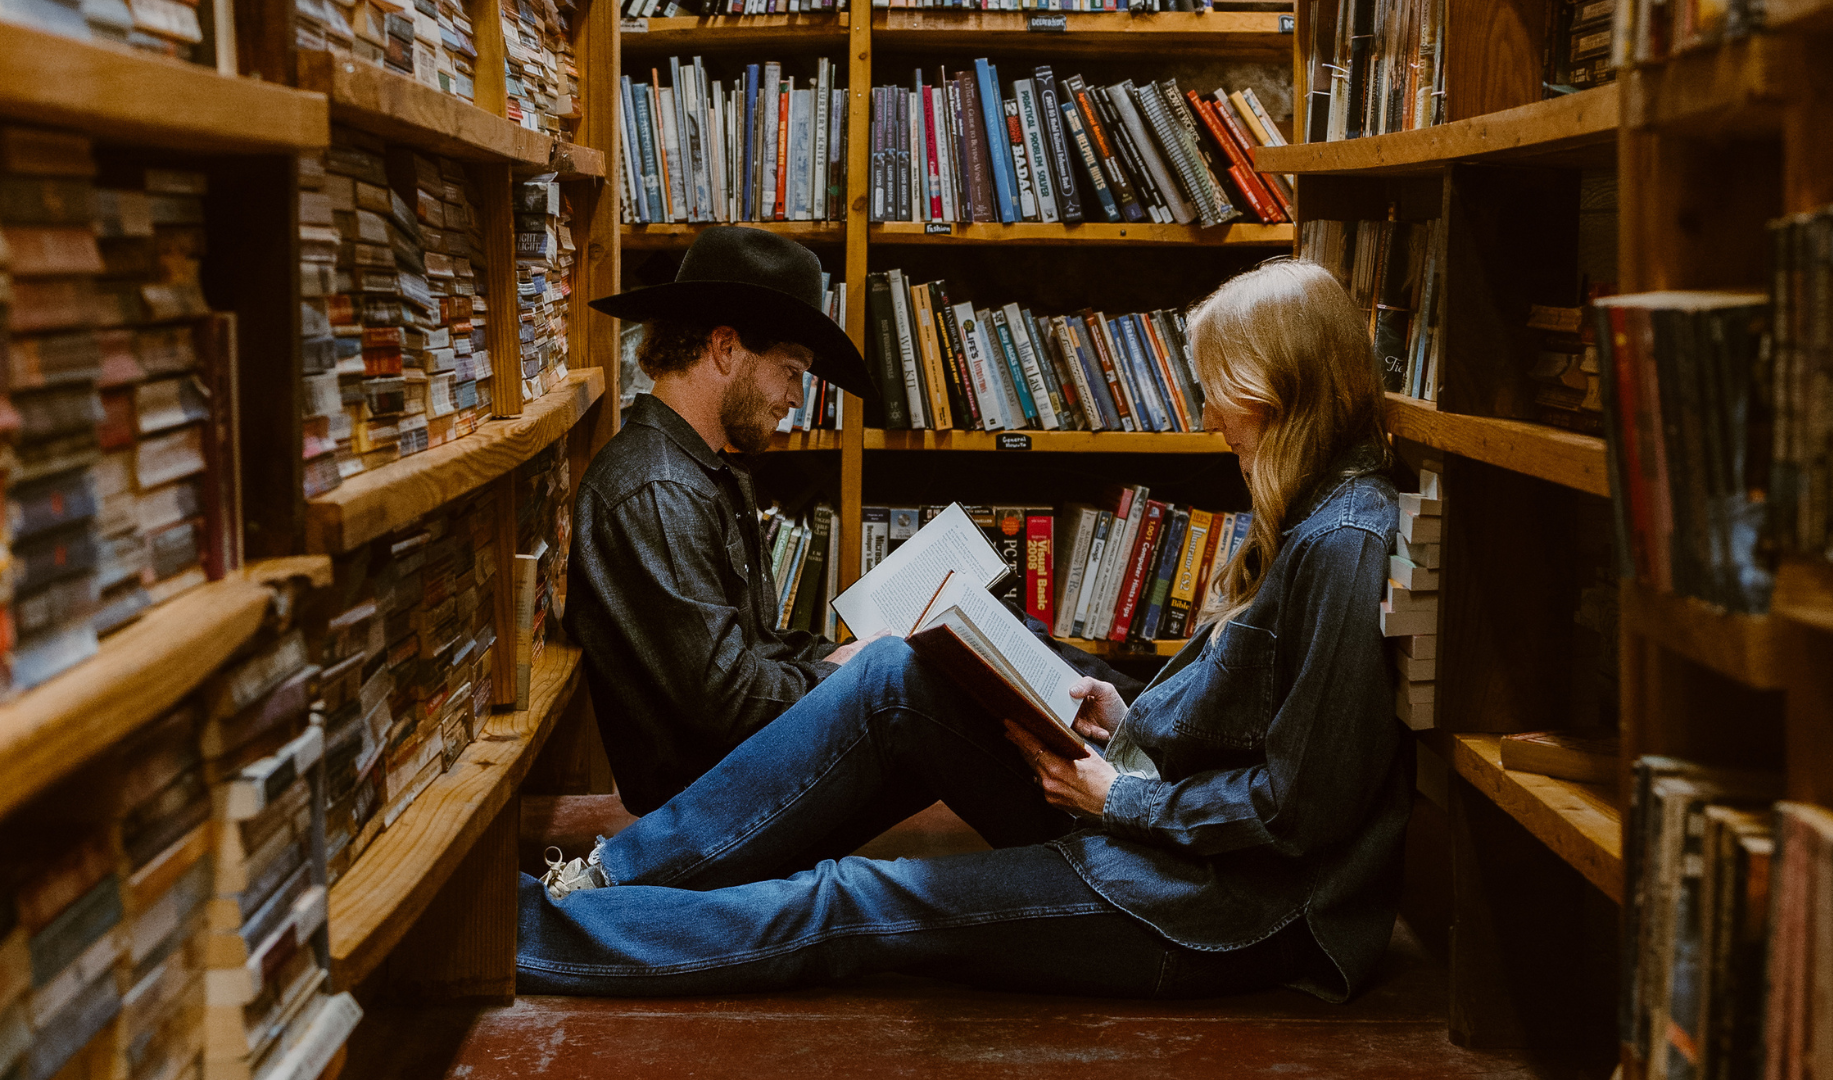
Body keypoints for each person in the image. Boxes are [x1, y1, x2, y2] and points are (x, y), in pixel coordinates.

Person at [523, 258, 1411, 1001]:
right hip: (1163, 836)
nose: (1209, 416)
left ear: (1278, 390)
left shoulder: (1340, 542)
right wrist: (1125, 717)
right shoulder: (1314, 518)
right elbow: (1260, 727)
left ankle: (538, 935)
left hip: (1214, 905)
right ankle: (604, 887)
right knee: (897, 678)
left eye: (1221, 390)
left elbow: (1301, 809)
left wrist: (1118, 796)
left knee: (852, 898)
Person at [570, 226, 887, 817]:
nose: (796, 397)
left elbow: (756, 648)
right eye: (791, 369)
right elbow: (728, 703)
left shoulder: (700, 471)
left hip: (741, 782)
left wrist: (842, 658)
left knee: (938, 667)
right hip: (715, 812)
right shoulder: (657, 489)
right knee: (914, 691)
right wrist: (851, 676)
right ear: (724, 348)